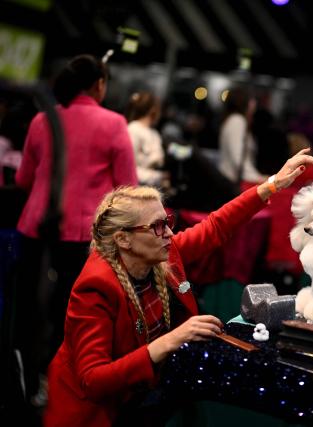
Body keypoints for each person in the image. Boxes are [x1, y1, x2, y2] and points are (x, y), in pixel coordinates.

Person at [43, 148, 313, 426]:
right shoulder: (95, 287)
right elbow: (93, 380)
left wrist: (272, 185)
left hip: (143, 394)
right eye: (157, 227)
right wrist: (169, 341)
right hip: (99, 414)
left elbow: (217, 226)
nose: (169, 233)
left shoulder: (164, 252)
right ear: (123, 240)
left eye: (168, 222)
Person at [13, 54, 137, 410]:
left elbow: (24, 179)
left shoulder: (41, 120)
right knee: (67, 314)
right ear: (99, 85)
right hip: (80, 236)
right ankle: (53, 387)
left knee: (29, 311)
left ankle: (20, 382)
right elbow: (127, 188)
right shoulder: (113, 123)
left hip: (32, 229)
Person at [217, 87, 267, 184]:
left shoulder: (234, 119)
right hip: (231, 182)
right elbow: (238, 158)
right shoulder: (237, 121)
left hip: (230, 180)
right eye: (252, 100)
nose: (254, 104)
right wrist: (259, 178)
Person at [125, 91, 169, 189]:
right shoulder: (133, 129)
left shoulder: (154, 133)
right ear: (153, 110)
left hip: (153, 188)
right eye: (159, 109)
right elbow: (129, 168)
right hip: (137, 188)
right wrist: (158, 177)